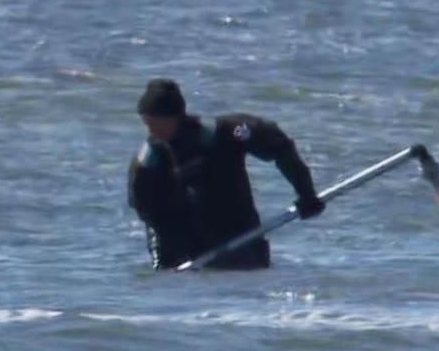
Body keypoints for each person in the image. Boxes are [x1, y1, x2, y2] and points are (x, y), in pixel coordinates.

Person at [127, 79, 324, 270]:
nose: (152, 130)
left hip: (244, 242)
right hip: (193, 255)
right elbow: (149, 214)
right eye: (147, 123)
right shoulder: (149, 159)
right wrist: (162, 264)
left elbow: (279, 147)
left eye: (156, 123)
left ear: (175, 116)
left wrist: (306, 193)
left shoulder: (227, 133)